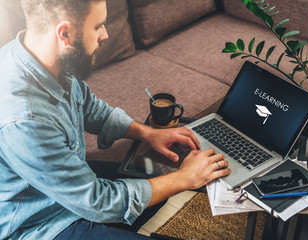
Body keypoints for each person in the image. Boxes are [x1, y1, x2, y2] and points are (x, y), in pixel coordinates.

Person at [0, 0, 231, 239]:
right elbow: (99, 202)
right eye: (98, 26)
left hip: (71, 189)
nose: (105, 35)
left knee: (157, 178)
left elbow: (90, 107)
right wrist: (185, 178)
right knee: (168, 182)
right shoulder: (25, 119)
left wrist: (148, 133)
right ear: (65, 33)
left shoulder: (48, 56)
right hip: (40, 223)